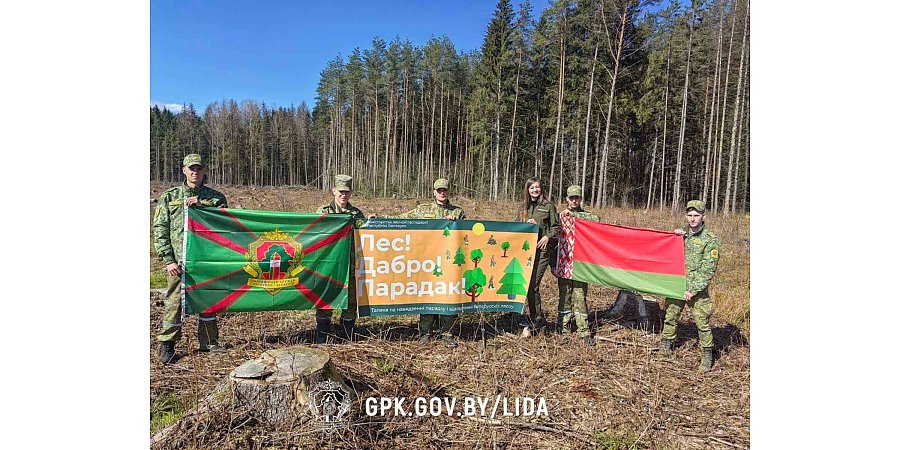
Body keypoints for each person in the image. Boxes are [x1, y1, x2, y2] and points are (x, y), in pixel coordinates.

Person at [153, 154, 228, 364]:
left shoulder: (215, 198)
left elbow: (226, 222)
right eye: (191, 168)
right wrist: (168, 259)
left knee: (208, 300)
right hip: (179, 261)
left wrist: (203, 205)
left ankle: (209, 342)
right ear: (184, 171)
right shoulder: (170, 197)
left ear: (204, 171)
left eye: (198, 168)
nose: (195, 172)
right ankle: (167, 345)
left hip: (207, 259)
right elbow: (160, 229)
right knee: (175, 302)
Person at [394, 178, 465, 348]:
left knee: (448, 295)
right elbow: (402, 219)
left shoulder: (457, 212)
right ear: (434, 192)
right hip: (427, 261)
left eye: (445, 190)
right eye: (439, 190)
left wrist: (456, 223)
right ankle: (425, 333)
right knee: (428, 294)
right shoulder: (423, 209)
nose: (442, 193)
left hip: (449, 262)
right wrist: (377, 220)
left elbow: (465, 233)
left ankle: (447, 333)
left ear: (449, 192)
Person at [659, 200, 721, 373]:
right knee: (670, 315)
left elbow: (708, 269)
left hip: (696, 290)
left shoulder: (711, 240)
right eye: (690, 215)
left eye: (696, 216)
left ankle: (707, 354)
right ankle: (666, 345)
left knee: (702, 322)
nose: (692, 219)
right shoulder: (681, 235)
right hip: (677, 284)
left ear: (703, 217)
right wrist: (672, 238)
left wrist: (693, 290)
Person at [314, 174, 373, 344]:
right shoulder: (324, 212)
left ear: (351, 193)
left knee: (351, 300)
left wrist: (371, 223)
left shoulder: (356, 213)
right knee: (326, 298)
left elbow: (364, 233)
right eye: (340, 192)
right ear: (334, 191)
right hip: (329, 264)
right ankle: (322, 333)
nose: (343, 195)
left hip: (351, 264)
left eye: (346, 192)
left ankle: (347, 333)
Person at [517, 178, 559, 337]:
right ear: (527, 190)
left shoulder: (548, 206)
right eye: (532, 187)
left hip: (542, 252)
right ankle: (526, 318)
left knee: (533, 284)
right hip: (525, 251)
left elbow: (556, 228)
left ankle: (538, 322)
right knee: (525, 284)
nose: (535, 190)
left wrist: (547, 237)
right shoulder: (523, 208)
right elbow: (515, 228)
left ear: (541, 189)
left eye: (537, 187)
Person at [557, 185, 598, 346]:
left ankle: (583, 330)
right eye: (571, 198)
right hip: (563, 263)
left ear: (581, 199)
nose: (574, 200)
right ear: (566, 199)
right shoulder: (560, 215)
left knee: (580, 297)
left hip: (581, 265)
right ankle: (563, 328)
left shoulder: (587, 216)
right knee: (564, 297)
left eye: (577, 198)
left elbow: (597, 221)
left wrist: (575, 216)